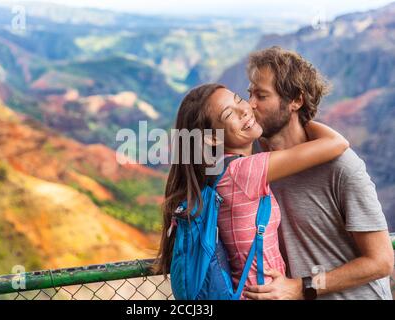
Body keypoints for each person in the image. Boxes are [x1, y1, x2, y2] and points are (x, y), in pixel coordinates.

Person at [154, 82, 349, 299]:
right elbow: (336, 143)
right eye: (229, 113)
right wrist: (297, 111)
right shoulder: (243, 172)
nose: (245, 110)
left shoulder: (215, 170)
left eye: (239, 100)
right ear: (213, 138)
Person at [244, 46, 394, 300]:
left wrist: (303, 287)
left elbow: (381, 262)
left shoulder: (341, 167)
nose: (251, 105)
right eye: (250, 94)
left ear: (296, 100)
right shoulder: (252, 163)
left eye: (261, 96)